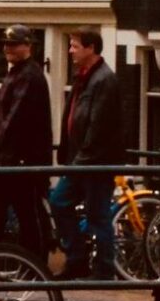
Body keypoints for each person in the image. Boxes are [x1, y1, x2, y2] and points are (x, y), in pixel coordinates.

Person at [49, 28, 125, 279]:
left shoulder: (104, 80)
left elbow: (98, 125)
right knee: (65, 203)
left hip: (93, 162)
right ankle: (78, 260)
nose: (70, 51)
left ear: (91, 48)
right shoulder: (84, 77)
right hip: (81, 159)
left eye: (75, 46)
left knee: (95, 213)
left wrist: (79, 161)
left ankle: (102, 268)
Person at [0, 25, 52, 258]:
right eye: (6, 44)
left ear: (28, 46)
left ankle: (33, 265)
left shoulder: (28, 75)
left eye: (14, 44)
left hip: (20, 159)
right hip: (10, 158)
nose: (8, 48)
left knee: (23, 212)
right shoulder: (18, 72)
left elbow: (14, 117)